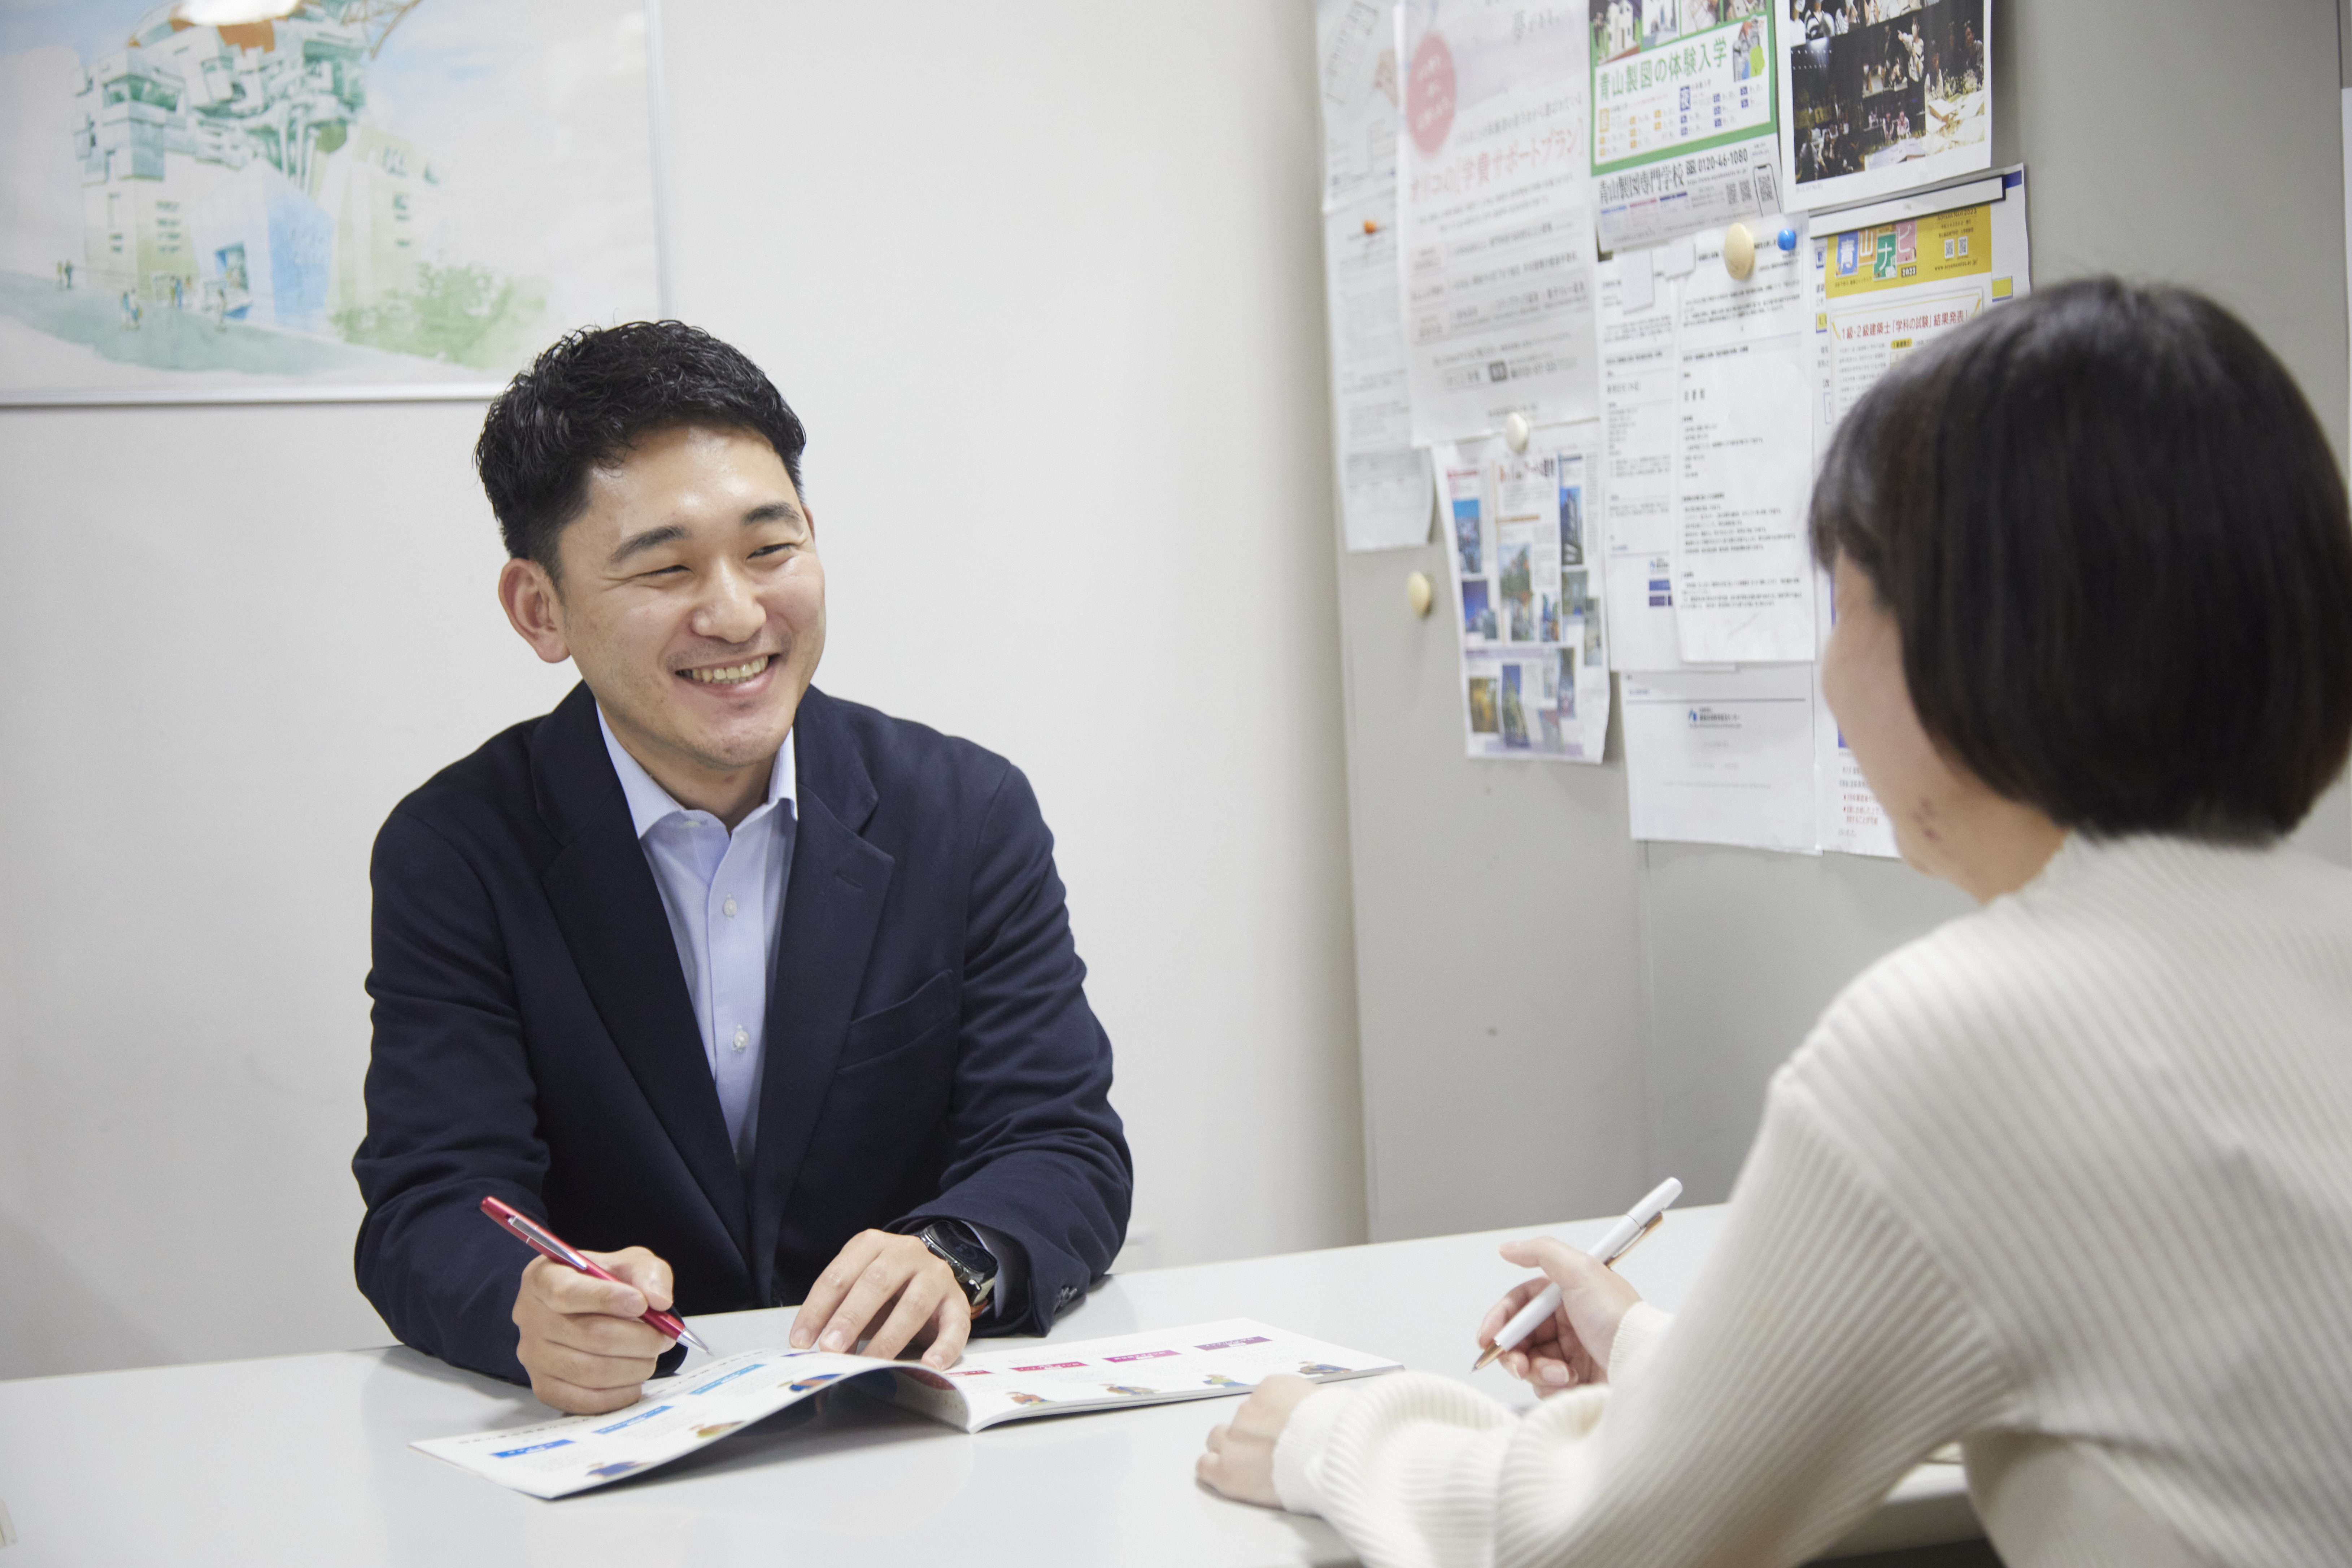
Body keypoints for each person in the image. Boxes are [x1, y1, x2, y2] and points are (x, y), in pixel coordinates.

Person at [1198, 279, 2352, 1564]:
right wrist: (1647, 1350)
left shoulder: (1979, 1030)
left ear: (1984, 640)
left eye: (1851, 601)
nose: (1829, 672)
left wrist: (1324, 1443)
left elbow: (1615, 1540)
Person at [354, 322, 1132, 1414]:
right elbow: (431, 1204)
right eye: (665, 568)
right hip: (622, 1451)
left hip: (908, 1424)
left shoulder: (963, 810)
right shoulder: (460, 849)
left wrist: (953, 1256)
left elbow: (1060, 1141)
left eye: (771, 550)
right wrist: (526, 1306)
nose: (734, 613)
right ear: (541, 609)